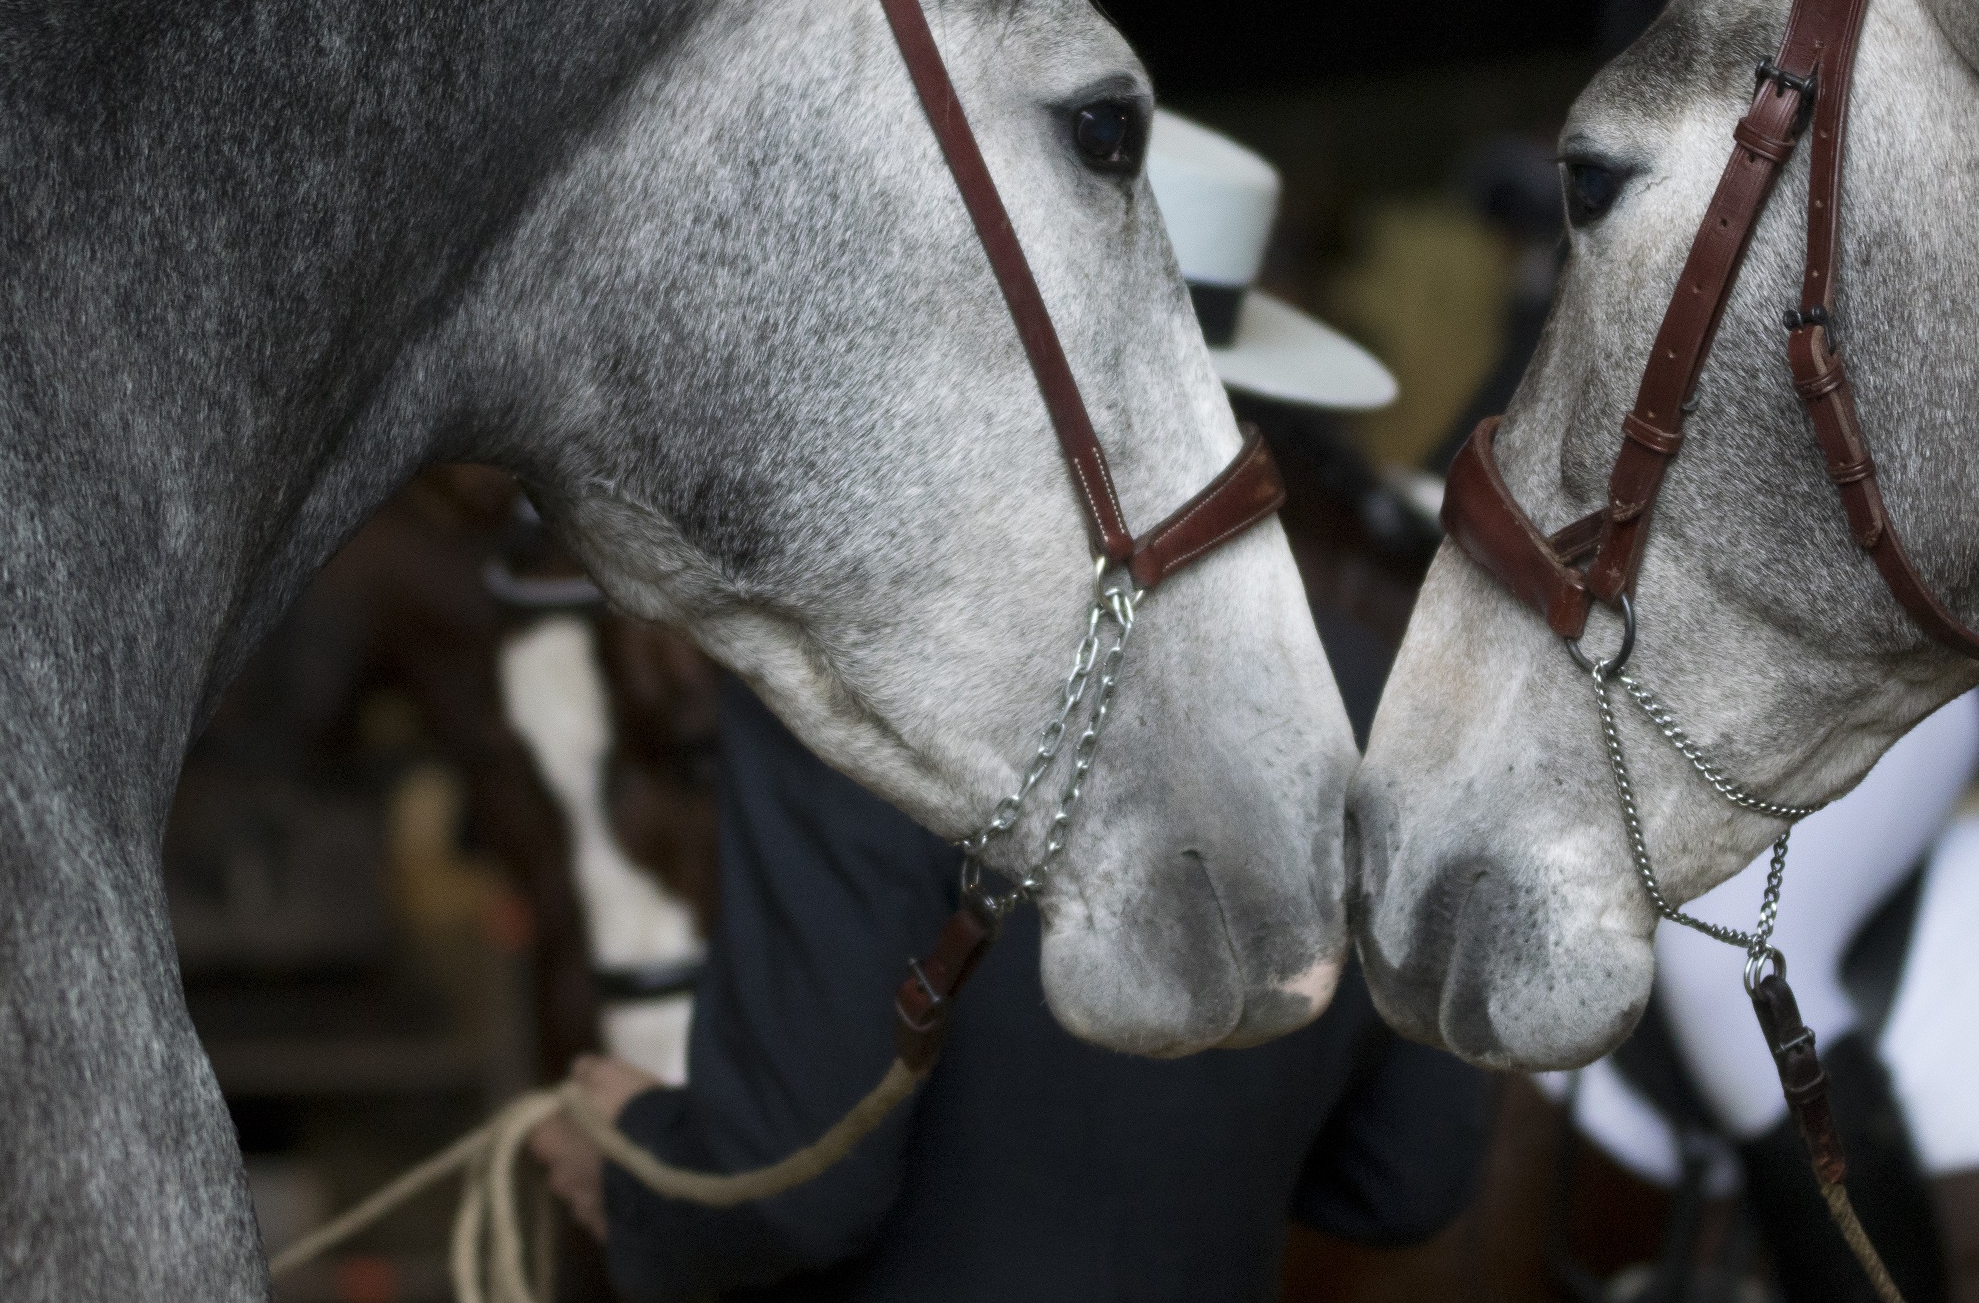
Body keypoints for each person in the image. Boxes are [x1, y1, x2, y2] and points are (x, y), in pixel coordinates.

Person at [527, 112, 1495, 1300]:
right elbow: (1411, 1175)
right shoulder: (1391, 707)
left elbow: (791, 1196)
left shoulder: (848, 687)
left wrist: (629, 1171)